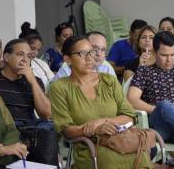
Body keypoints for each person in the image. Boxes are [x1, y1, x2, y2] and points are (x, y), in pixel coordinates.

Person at [49, 36, 154, 169]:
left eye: (91, 52)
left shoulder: (108, 80)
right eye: (82, 53)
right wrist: (95, 130)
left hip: (120, 141)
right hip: (89, 147)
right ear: (67, 59)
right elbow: (66, 129)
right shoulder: (60, 87)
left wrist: (102, 122)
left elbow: (129, 116)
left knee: (141, 157)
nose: (89, 58)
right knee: (110, 161)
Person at [0, 39, 57, 165]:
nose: (25, 59)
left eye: (29, 56)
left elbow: (46, 114)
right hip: (2, 130)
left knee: (49, 128)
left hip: (28, 131)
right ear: (6, 57)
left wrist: (32, 81)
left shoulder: (34, 81)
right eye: (20, 54)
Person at [19, 22, 55, 92]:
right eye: (32, 48)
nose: (35, 53)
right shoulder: (15, 64)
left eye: (38, 50)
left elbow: (53, 80)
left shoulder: (41, 64)